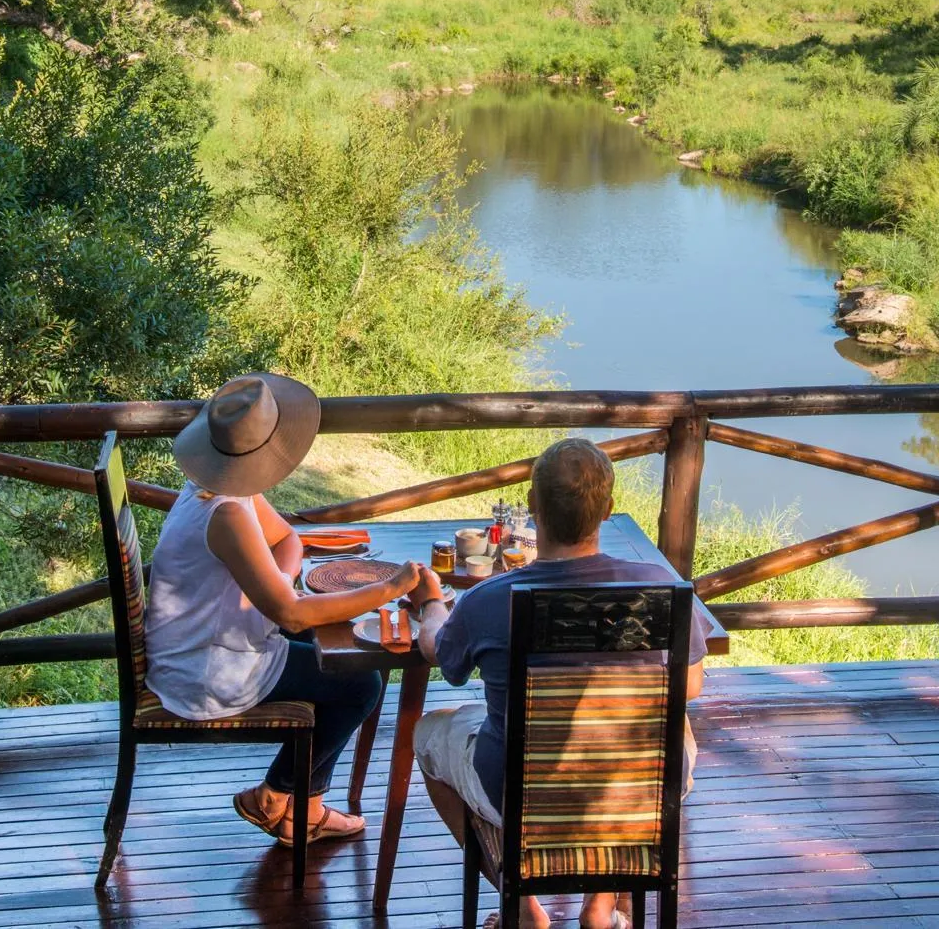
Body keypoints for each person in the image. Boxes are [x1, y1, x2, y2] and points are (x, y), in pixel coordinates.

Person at [413, 438, 710, 929]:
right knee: (669, 715)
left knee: (428, 732)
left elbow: (442, 656)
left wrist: (430, 605)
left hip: (521, 795)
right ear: (609, 509)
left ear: (533, 506)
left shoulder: (489, 599)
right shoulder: (659, 587)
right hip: (639, 795)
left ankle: (525, 909)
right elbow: (692, 685)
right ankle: (601, 905)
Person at [145, 371, 430, 846]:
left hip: (211, 643)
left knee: (340, 658)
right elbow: (293, 615)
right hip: (205, 667)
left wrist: (277, 584)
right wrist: (393, 586)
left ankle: (307, 812)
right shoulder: (228, 514)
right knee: (360, 683)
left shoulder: (216, 489)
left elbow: (287, 538)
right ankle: (275, 794)